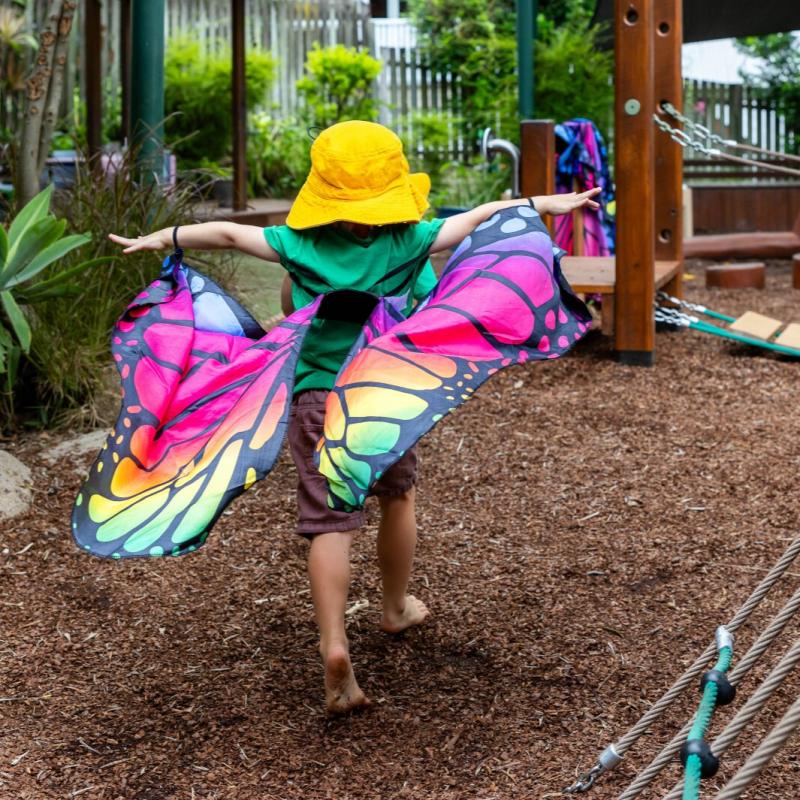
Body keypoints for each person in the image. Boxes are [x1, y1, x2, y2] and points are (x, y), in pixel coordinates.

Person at [109, 120, 600, 713]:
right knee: (398, 497)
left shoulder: (301, 246)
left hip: (318, 395)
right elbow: (479, 217)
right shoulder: (408, 241)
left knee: (328, 521)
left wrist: (164, 236)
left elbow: (229, 236)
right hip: (386, 395)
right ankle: (395, 607)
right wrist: (543, 203)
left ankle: (335, 644)